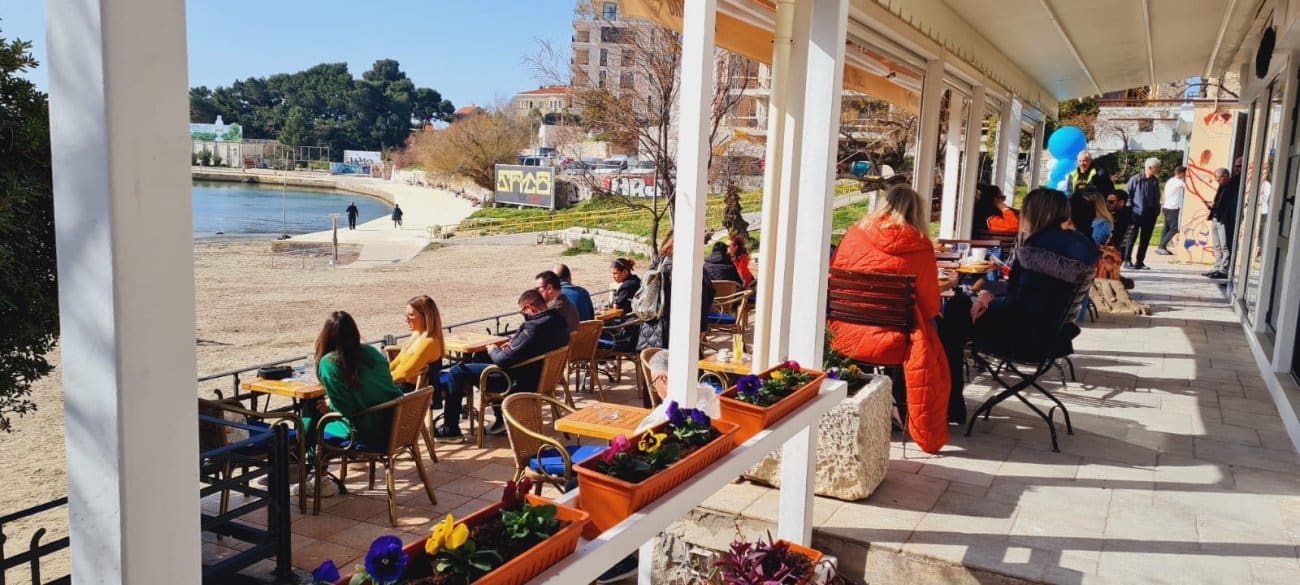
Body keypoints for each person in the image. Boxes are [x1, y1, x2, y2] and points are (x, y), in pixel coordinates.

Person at [829, 185, 952, 453]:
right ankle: (913, 406)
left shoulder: (853, 235)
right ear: (917, 212)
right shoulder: (920, 246)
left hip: (842, 335)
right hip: (892, 343)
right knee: (934, 331)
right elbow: (930, 306)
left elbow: (834, 277)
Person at [942, 189, 1101, 374]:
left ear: (1033, 214)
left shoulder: (1035, 250)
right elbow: (1035, 295)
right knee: (967, 304)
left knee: (956, 307)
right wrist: (990, 295)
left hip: (1023, 338)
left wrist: (988, 300)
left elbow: (1020, 303)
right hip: (1054, 335)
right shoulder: (1079, 244)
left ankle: (951, 382)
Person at [443, 290, 569, 437]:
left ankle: (450, 430)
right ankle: (500, 418)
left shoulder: (533, 327)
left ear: (530, 308)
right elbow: (530, 346)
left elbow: (503, 360)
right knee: (480, 356)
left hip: (517, 383)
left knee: (457, 371)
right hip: (543, 378)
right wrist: (512, 345)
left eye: (522, 311)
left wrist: (493, 349)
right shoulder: (559, 320)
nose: (523, 314)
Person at [308, 311, 404, 450]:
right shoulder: (371, 352)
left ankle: (309, 458)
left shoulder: (329, 363)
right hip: (396, 424)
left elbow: (345, 408)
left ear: (326, 335)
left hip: (365, 432)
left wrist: (329, 406)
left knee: (311, 424)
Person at [636, 232, 716, 351]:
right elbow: (704, 299)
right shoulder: (693, 268)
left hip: (656, 323)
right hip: (685, 324)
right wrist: (703, 327)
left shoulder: (659, 263)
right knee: (686, 359)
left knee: (657, 360)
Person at [389, 295, 446, 392]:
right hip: (400, 385)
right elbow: (396, 363)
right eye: (406, 315)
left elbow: (405, 373)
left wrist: (381, 382)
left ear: (426, 317)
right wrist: (378, 376)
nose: (406, 320)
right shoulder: (416, 336)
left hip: (410, 393)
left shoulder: (429, 342)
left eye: (411, 315)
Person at [1124, 157, 1163, 269]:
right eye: (1157, 168)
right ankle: (1127, 260)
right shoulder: (1135, 179)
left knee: (1145, 239)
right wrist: (1130, 209)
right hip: (1135, 213)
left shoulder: (1155, 181)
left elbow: (1157, 197)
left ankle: (1140, 262)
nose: (1158, 169)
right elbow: (1127, 195)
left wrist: (1157, 210)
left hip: (1150, 214)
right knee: (1131, 237)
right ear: (1150, 168)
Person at [1206, 160, 1242, 279]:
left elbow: (1228, 203)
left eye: (1219, 179)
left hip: (1226, 219)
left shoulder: (1234, 183)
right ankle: (1217, 267)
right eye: (1235, 166)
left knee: (1226, 246)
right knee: (1217, 245)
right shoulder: (1223, 186)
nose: (1217, 181)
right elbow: (1220, 202)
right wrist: (1212, 205)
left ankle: (1223, 270)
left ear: (1225, 176)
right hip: (1216, 217)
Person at [1156, 166, 1186, 255]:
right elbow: (1188, 187)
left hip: (1167, 207)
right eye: (1185, 173)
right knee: (1174, 229)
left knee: (1166, 228)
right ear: (1181, 173)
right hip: (1172, 209)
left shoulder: (1171, 180)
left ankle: (1162, 247)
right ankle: (1161, 246)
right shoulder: (1178, 182)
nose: (1186, 175)